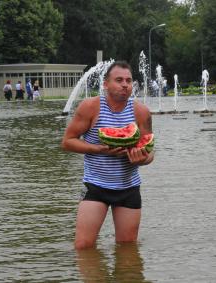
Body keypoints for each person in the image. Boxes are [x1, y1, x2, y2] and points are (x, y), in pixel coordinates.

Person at [61, 61, 154, 250]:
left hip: (129, 188)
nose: (125, 85)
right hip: (96, 186)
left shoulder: (141, 112)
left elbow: (150, 152)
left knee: (127, 249)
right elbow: (68, 141)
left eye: (128, 80)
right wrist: (98, 149)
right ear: (105, 83)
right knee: (83, 246)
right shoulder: (90, 107)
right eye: (119, 80)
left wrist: (142, 159)